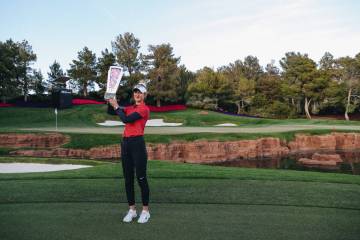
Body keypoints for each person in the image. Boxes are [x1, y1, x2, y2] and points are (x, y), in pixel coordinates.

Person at [108, 82, 150, 224]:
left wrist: (116, 105)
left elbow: (126, 119)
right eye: (135, 92)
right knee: (128, 179)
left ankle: (145, 211)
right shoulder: (130, 108)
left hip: (137, 144)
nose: (137, 94)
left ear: (144, 95)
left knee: (141, 178)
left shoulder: (144, 109)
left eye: (140, 92)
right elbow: (112, 111)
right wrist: (110, 99)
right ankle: (132, 210)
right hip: (125, 143)